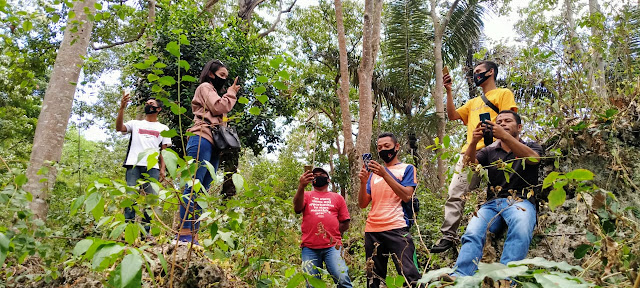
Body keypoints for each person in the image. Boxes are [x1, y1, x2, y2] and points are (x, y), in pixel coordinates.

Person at [431, 61, 519, 253]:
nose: (476, 75)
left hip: (497, 148)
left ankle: (500, 225)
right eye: (475, 72)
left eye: (479, 71)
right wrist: (448, 91)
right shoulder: (473, 102)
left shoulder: (503, 94)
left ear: (491, 72)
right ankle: (448, 236)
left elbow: (508, 120)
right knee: (456, 191)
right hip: (471, 152)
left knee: (501, 192)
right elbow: (453, 115)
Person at [444, 110, 541, 280]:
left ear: (519, 127)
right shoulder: (489, 151)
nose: (502, 123)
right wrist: (474, 141)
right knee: (472, 232)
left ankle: (505, 280)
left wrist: (505, 136)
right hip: (492, 204)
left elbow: (534, 159)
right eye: (499, 121)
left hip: (521, 201)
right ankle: (459, 276)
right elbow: (469, 165)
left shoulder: (531, 146)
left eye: (507, 121)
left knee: (521, 228)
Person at [177, 59, 241, 244]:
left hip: (214, 144)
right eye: (221, 75)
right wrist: (231, 93)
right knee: (193, 184)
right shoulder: (205, 87)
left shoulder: (214, 92)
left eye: (226, 77)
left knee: (203, 188)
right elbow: (219, 107)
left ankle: (194, 233)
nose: (224, 80)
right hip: (201, 137)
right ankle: (184, 231)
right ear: (211, 74)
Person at [358, 132, 422, 288]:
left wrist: (384, 174)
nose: (383, 150)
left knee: (410, 276)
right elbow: (363, 203)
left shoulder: (407, 168)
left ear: (397, 147)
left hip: (397, 228)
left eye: (387, 146)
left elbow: (406, 195)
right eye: (379, 147)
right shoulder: (373, 175)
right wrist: (363, 182)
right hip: (372, 230)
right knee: (374, 279)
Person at [115, 91, 172, 235]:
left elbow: (164, 152)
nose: (148, 106)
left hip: (152, 167)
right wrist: (122, 108)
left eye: (151, 104)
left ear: (158, 109)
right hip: (133, 164)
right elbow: (119, 128)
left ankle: (145, 235)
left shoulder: (163, 128)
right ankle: (129, 233)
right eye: (146, 104)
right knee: (130, 199)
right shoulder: (135, 123)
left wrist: (162, 170)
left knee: (150, 202)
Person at [293, 167, 352, 288]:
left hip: (333, 247)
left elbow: (345, 222)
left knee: (342, 278)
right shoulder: (307, 195)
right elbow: (297, 208)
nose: (318, 176)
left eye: (321, 174)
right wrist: (301, 187)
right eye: (315, 175)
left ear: (328, 180)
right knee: (311, 284)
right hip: (309, 248)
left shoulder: (337, 197)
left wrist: (332, 233)